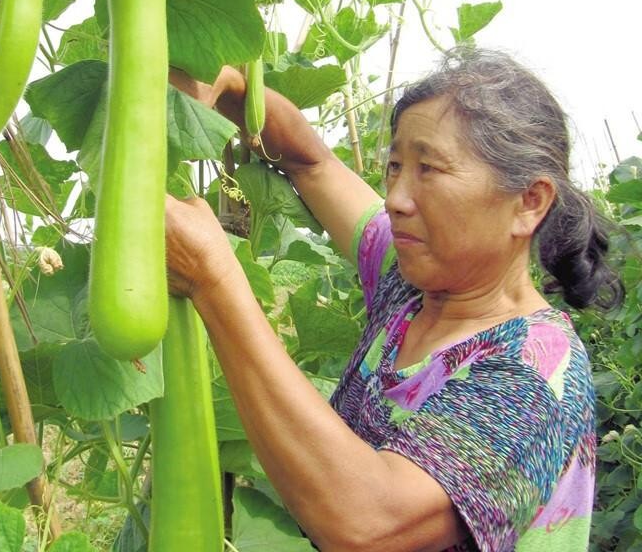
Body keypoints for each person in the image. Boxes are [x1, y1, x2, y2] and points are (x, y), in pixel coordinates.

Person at [165, 48, 622, 552]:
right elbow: (309, 161)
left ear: (529, 202)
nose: (396, 197)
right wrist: (229, 85)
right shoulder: (413, 280)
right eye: (396, 166)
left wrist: (214, 278)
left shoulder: (536, 373)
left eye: (429, 169)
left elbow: (370, 524)